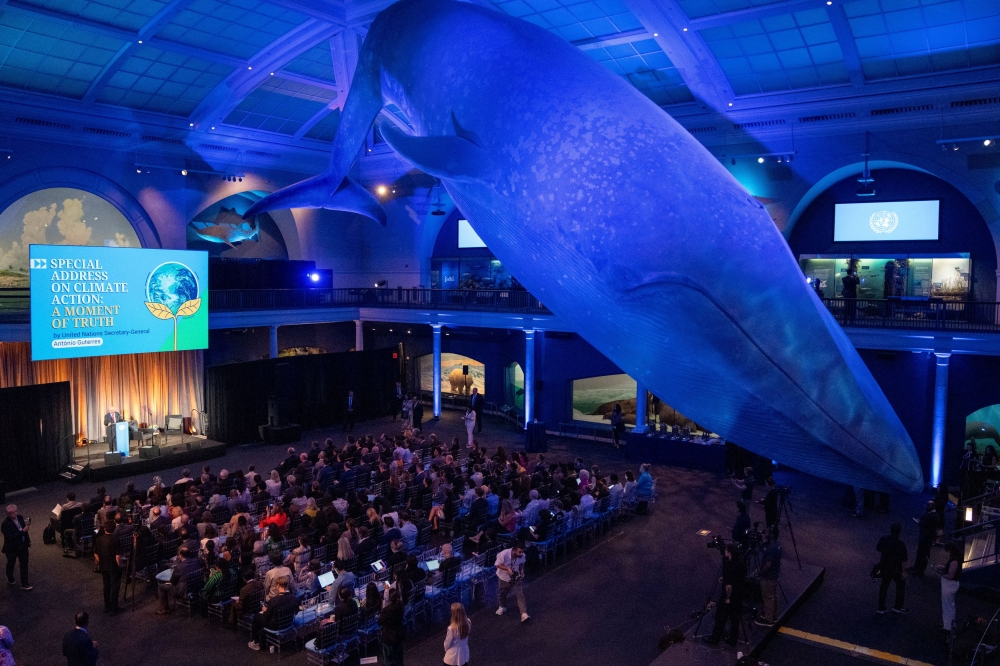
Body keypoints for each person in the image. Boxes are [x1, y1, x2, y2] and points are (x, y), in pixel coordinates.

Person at [706, 544, 746, 646]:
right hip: (738, 595)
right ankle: (733, 639)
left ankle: (715, 637)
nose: (724, 551)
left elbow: (729, 586)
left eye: (726, 550)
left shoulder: (728, 566)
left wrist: (727, 598)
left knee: (720, 616)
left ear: (729, 552)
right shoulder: (741, 564)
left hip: (729, 596)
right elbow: (737, 578)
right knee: (734, 618)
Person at [249, 576, 300, 651]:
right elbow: (296, 611)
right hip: (288, 623)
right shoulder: (293, 598)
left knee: (257, 617)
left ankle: (256, 642)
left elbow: (267, 616)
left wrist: (265, 610)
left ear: (278, 585)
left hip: (275, 626)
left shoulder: (274, 600)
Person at [876, 523, 908, 614]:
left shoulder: (883, 539)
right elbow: (904, 559)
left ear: (890, 530)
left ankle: (881, 608)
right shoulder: (901, 544)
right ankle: (898, 606)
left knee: (884, 587)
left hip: (884, 566)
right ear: (900, 532)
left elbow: (878, 548)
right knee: (900, 585)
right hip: (896, 568)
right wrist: (904, 571)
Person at [93, 520, 122, 614]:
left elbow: (96, 554)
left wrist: (99, 563)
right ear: (114, 528)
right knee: (115, 587)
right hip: (113, 567)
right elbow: (117, 557)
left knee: (106, 586)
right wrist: (120, 566)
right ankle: (114, 608)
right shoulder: (115, 539)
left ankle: (107, 606)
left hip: (103, 566)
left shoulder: (99, 539)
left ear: (105, 528)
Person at [495, 543, 529, 622]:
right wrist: (507, 569)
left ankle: (523, 613)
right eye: (519, 552)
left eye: (522, 552)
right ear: (514, 551)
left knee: (520, 594)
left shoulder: (522, 555)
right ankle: (502, 606)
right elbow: (497, 565)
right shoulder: (503, 554)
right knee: (502, 593)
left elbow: (522, 563)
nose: (521, 554)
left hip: (515, 576)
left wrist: (522, 571)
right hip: (503, 577)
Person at [756, 526, 782, 626]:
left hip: (768, 577)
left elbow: (768, 565)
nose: (765, 533)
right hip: (775, 575)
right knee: (774, 596)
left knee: (768, 598)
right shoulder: (778, 545)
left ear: (771, 535)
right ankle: (774, 616)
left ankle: (768, 619)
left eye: (767, 532)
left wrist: (760, 573)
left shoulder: (771, 548)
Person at [2, 504, 31, 591]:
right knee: (11, 563)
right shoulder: (5, 524)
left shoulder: (20, 517)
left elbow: (25, 531)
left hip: (22, 545)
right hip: (12, 548)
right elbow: (10, 537)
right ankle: (10, 577)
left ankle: (24, 583)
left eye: (16, 511)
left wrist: (28, 541)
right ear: (8, 514)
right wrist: (22, 531)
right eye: (13, 512)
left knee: (24, 564)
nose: (15, 513)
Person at [909, 501, 938, 576]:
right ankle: (916, 567)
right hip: (924, 536)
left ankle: (920, 570)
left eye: (927, 506)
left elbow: (924, 523)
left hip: (927, 538)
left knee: (923, 554)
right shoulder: (930, 514)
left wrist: (920, 522)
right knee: (920, 552)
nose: (926, 507)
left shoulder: (933, 516)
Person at [379, 589, 406, 666]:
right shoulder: (401, 606)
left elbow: (379, 622)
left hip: (389, 636)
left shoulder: (386, 610)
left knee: (389, 658)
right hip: (399, 633)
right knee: (399, 657)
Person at [941, 541, 962, 632]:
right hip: (953, 585)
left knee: (947, 606)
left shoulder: (954, 561)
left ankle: (947, 626)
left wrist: (941, 574)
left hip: (949, 585)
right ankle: (950, 625)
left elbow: (950, 576)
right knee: (950, 605)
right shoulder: (957, 559)